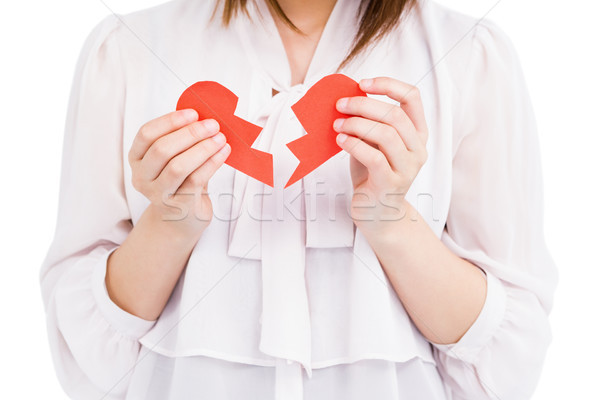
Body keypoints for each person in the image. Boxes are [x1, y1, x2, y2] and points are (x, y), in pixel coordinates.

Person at [40, 0, 558, 399]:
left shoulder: (467, 54)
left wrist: (391, 220)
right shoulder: (130, 48)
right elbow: (90, 362)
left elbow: (505, 364)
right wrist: (170, 224)